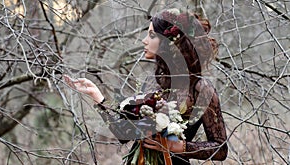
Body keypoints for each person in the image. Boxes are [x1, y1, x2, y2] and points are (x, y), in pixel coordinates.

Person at [64, 8, 228, 164]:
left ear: (167, 44)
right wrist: (97, 96)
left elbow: (220, 149)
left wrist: (178, 146)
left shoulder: (200, 88)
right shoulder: (152, 82)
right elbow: (124, 133)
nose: (144, 40)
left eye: (151, 35)